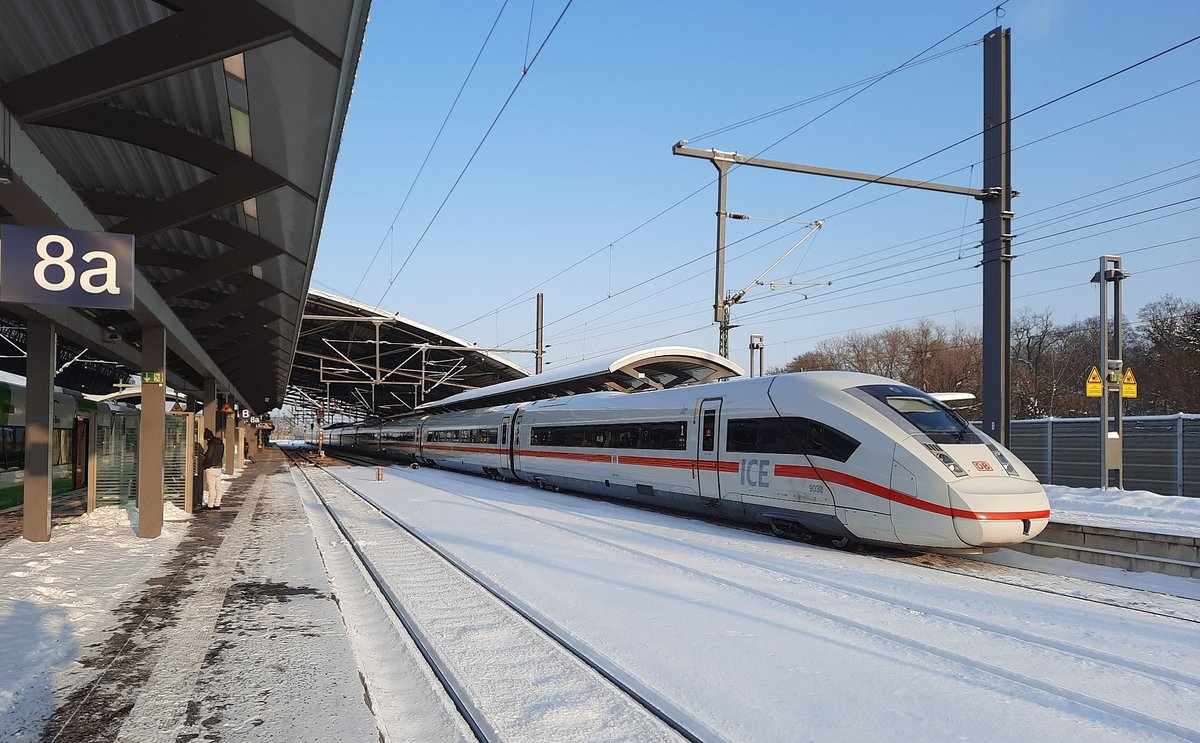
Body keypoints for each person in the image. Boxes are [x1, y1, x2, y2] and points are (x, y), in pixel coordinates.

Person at [201, 428, 225, 510]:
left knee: (211, 487)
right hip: (218, 467)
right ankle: (217, 504)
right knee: (218, 486)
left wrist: (204, 456)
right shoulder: (220, 444)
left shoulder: (212, 444)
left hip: (211, 467)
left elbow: (209, 456)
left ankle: (210, 505)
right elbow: (221, 455)